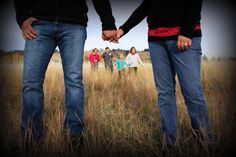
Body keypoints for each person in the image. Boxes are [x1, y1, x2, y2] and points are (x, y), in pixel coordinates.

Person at [14, 0, 117, 151]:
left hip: (74, 24)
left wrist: (107, 21)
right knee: (31, 82)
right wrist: (22, 17)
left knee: (74, 81)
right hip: (39, 23)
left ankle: (74, 136)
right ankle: (31, 137)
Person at [116, 0, 212, 149]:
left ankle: (204, 141)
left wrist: (186, 31)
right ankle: (169, 143)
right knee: (164, 92)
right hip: (156, 41)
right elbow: (144, 8)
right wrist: (122, 30)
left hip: (183, 36)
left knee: (192, 91)